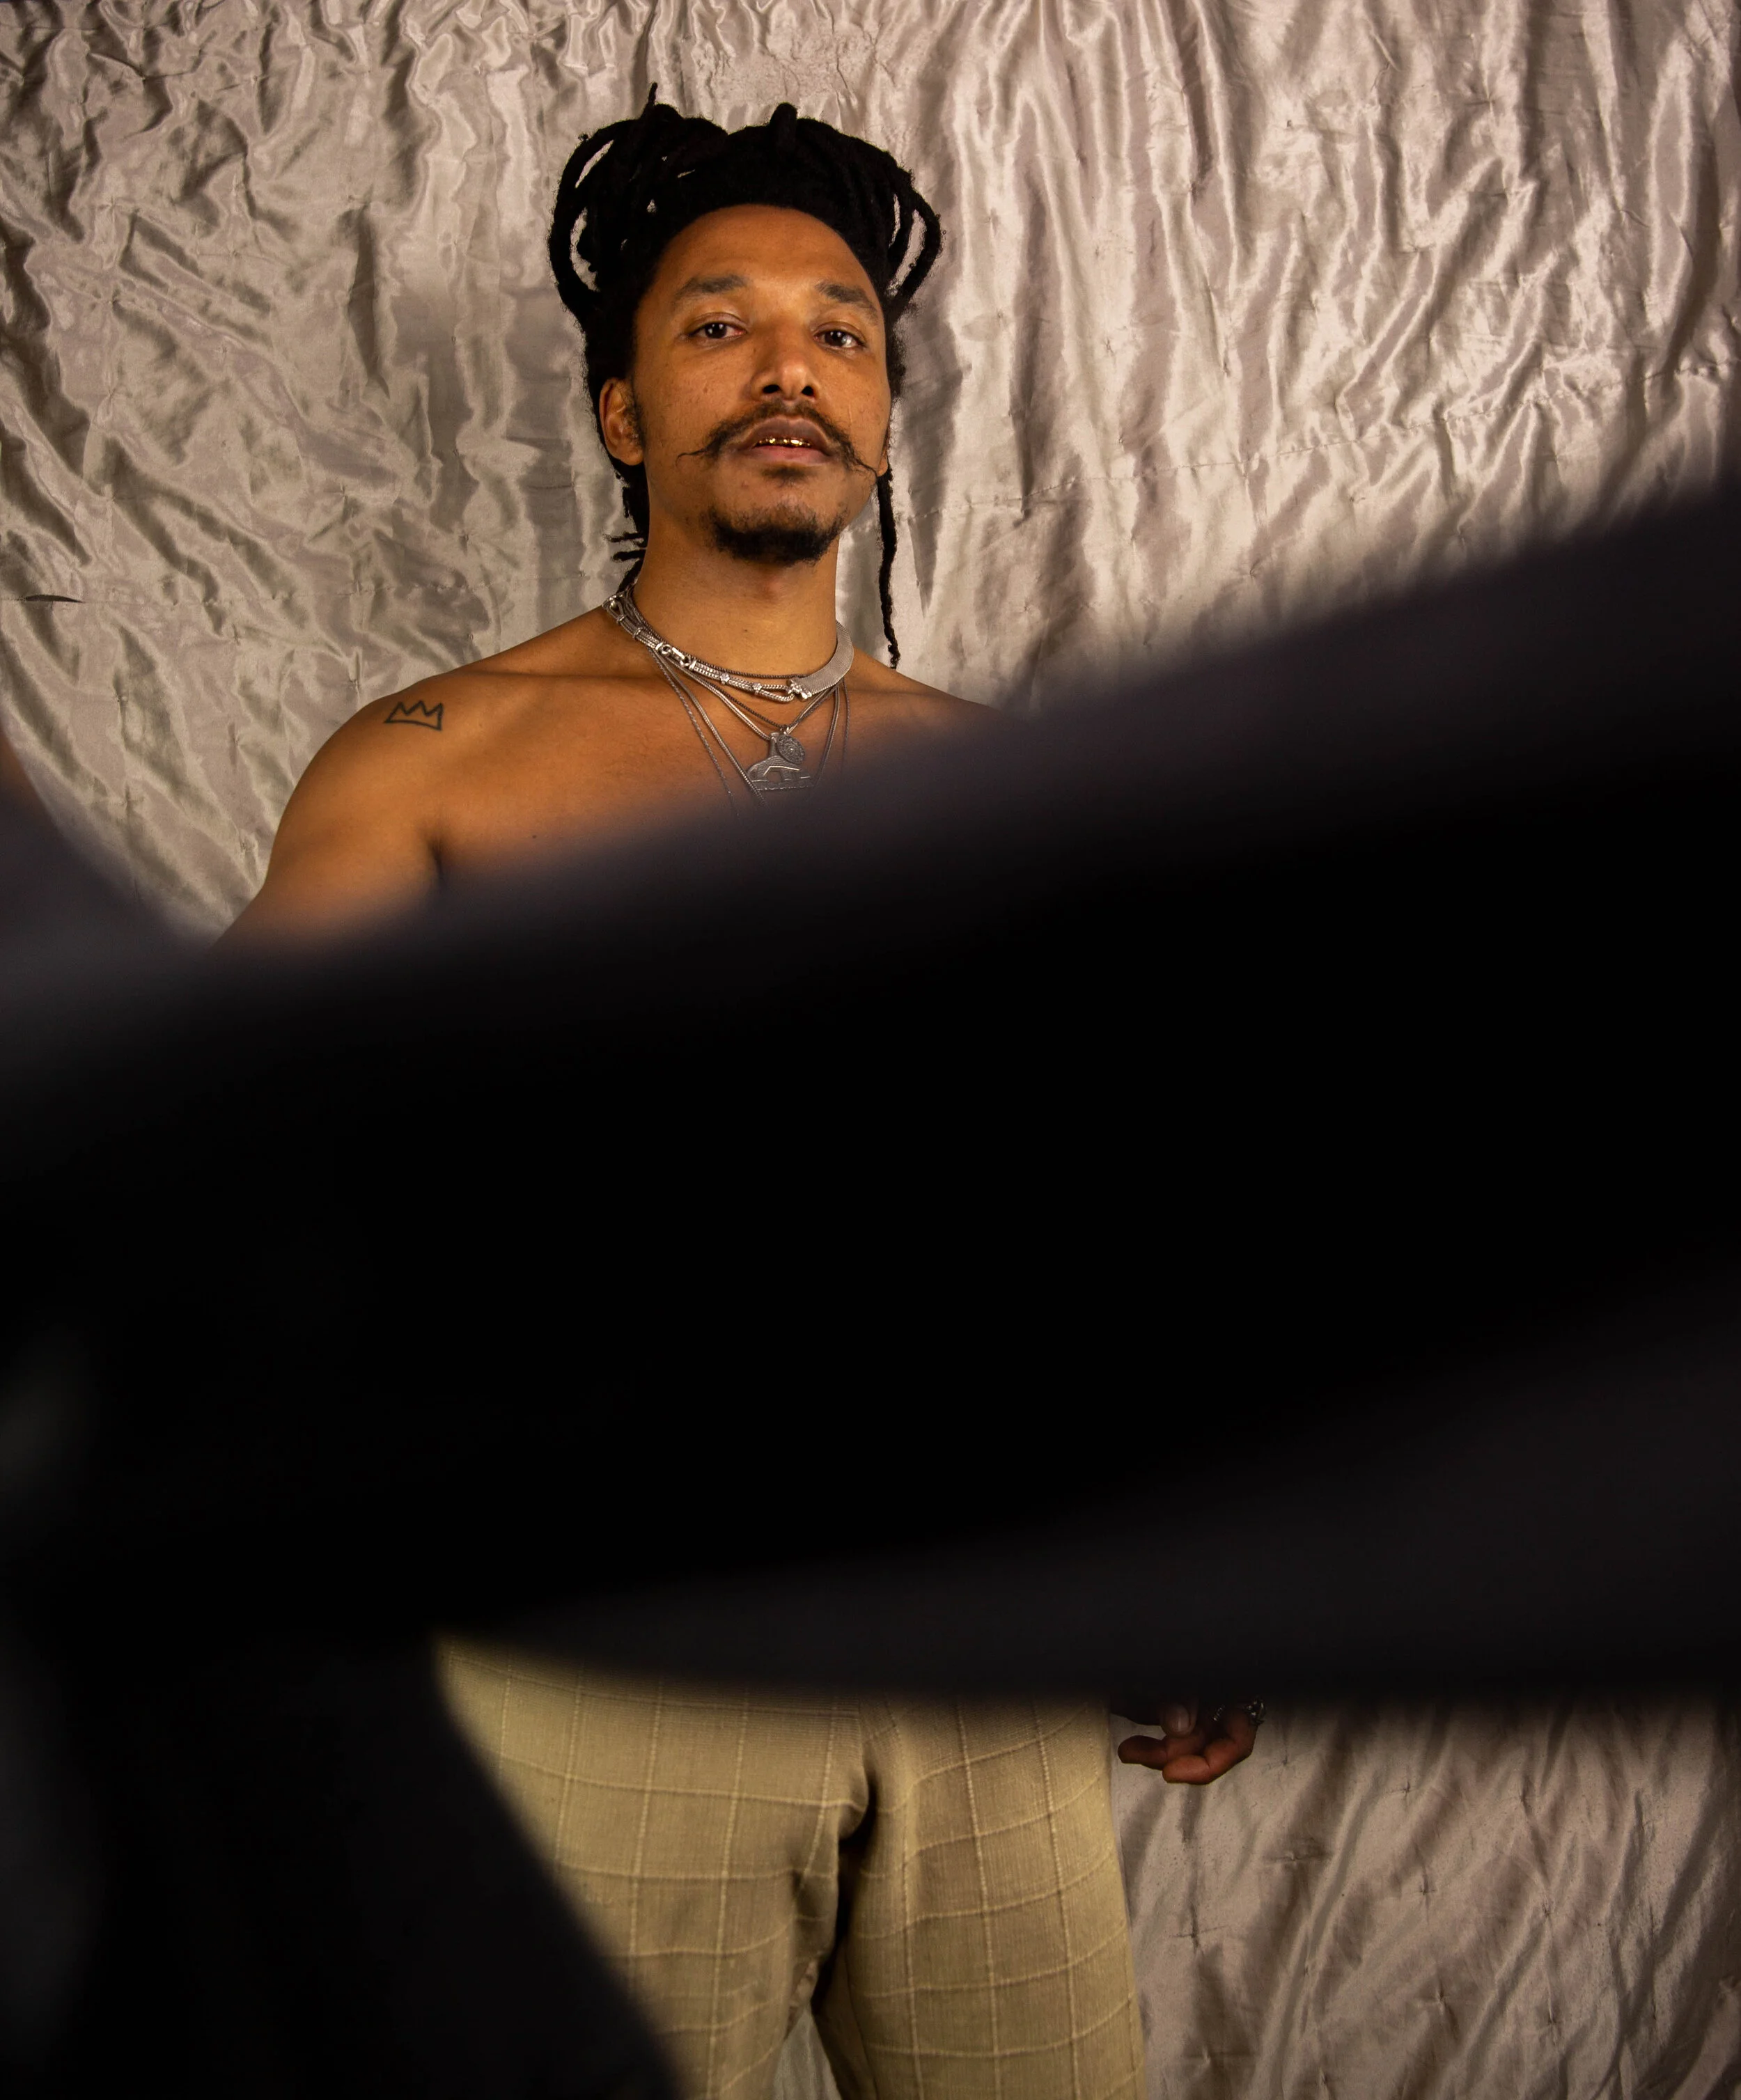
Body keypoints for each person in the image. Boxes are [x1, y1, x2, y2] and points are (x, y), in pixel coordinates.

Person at [229, 97, 1257, 2100]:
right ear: (624, 415)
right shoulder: (437, 760)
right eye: (719, 326)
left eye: (837, 330)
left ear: (878, 413)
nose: (790, 364)